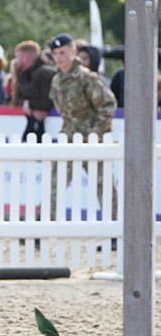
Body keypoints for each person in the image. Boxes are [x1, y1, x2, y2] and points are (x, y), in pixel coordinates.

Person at [48, 33, 118, 224]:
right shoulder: (57, 80)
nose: (59, 57)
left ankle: (116, 229)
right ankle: (42, 226)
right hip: (69, 137)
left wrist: (97, 131)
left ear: (73, 52)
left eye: (62, 52)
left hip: (92, 139)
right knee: (55, 182)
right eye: (55, 53)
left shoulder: (86, 78)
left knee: (103, 185)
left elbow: (108, 104)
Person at [12, 40, 56, 142]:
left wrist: (30, 105)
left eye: (18, 57)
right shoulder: (22, 73)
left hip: (46, 125)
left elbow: (48, 100)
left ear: (25, 58)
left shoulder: (46, 73)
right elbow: (18, 96)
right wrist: (30, 108)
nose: (16, 60)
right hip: (31, 121)